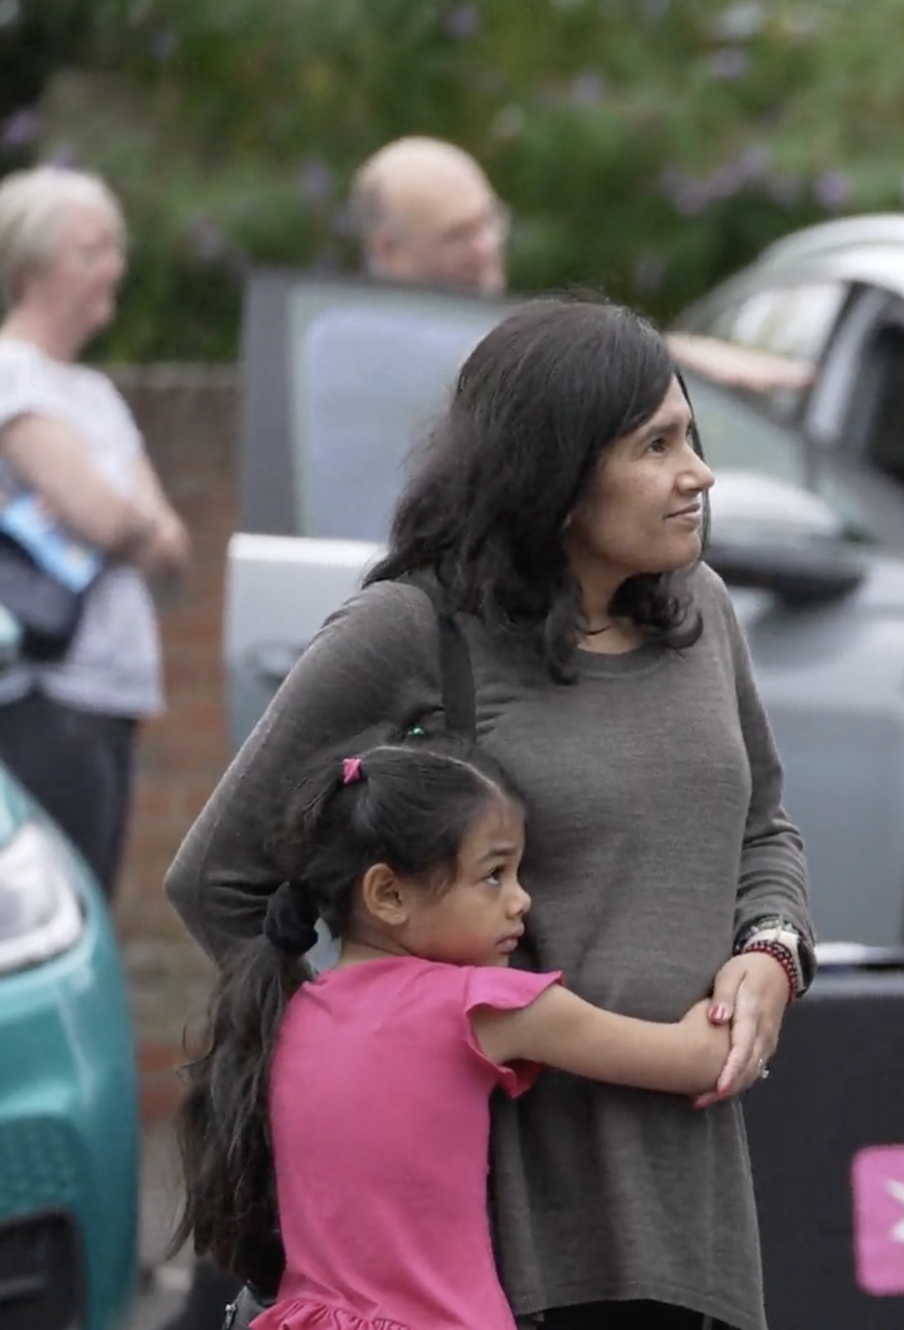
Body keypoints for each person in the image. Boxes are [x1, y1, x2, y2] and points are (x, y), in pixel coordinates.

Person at [166, 296, 813, 1330]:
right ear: (555, 474)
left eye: (691, 437)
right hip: (484, 1237)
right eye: (656, 445)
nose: (698, 473)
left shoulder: (705, 612)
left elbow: (763, 830)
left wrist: (773, 952)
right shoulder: (413, 630)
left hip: (686, 1203)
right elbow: (219, 881)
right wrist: (385, 1048)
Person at [174, 733, 738, 1330]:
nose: (522, 901)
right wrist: (751, 971)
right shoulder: (480, 1006)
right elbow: (700, 1060)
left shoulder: (289, 1014)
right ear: (389, 894)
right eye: (494, 875)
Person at [0, 164, 188, 891]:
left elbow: (169, 543)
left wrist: (116, 522)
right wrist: (118, 522)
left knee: (94, 889)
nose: (113, 267)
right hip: (43, 691)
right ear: (29, 267)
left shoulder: (94, 393)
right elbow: (106, 517)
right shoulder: (12, 373)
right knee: (59, 897)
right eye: (90, 251)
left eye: (114, 248)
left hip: (113, 690)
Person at [348, 136, 811, 395]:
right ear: (389, 250)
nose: (486, 247)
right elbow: (525, 359)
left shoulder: (469, 326)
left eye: (489, 222)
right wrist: (690, 363)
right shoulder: (360, 343)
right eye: (458, 237)